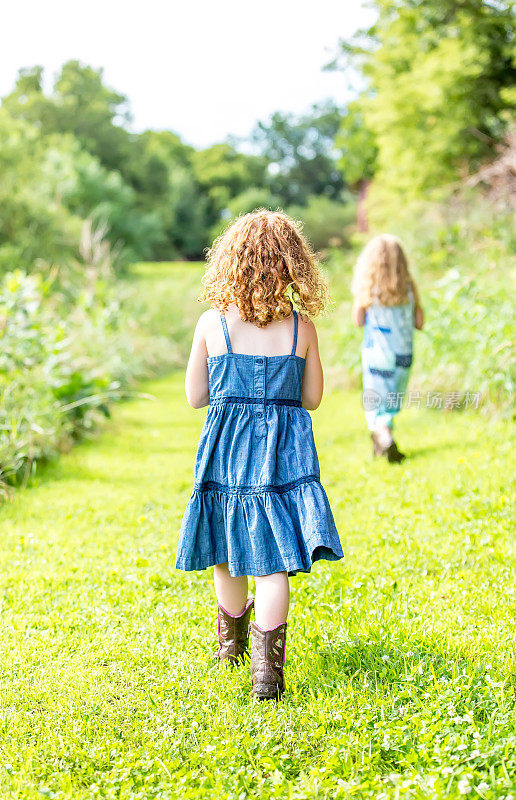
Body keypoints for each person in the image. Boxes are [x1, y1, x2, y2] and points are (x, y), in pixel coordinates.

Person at [176, 210, 343, 700]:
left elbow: (195, 397)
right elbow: (312, 399)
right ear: (294, 266)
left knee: (227, 555)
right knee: (273, 564)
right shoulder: (301, 329)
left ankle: (231, 653)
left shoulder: (212, 324)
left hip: (227, 453)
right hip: (283, 458)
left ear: (230, 263)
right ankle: (267, 676)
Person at [351, 234, 424, 462]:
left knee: (375, 401)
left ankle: (384, 437)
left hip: (378, 356)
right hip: (404, 354)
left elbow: (358, 320)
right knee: (391, 399)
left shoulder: (369, 288)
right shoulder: (409, 287)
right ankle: (383, 442)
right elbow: (419, 322)